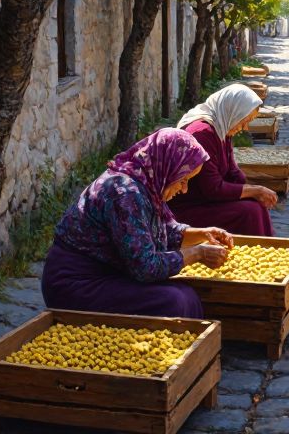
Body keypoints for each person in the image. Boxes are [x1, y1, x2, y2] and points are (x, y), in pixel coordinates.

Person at [41, 129, 233, 318]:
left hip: (108, 272)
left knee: (186, 294)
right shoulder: (124, 193)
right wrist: (197, 253)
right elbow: (145, 267)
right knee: (174, 301)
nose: (184, 189)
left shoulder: (147, 183)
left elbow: (164, 229)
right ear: (167, 167)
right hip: (76, 285)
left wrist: (203, 234)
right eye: (183, 180)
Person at [170, 84, 277, 235]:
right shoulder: (202, 133)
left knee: (255, 205)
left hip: (207, 201)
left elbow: (232, 172)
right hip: (189, 207)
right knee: (249, 212)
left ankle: (266, 250)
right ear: (232, 111)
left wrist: (252, 192)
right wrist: (254, 190)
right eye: (244, 120)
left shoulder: (222, 129)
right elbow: (212, 188)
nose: (245, 128)